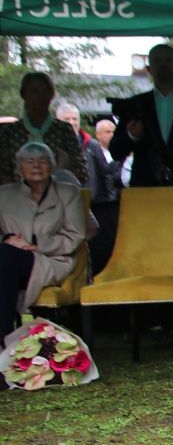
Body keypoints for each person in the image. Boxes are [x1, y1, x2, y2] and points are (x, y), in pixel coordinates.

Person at [0, 142, 85, 341]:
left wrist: (37, 243)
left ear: (53, 166)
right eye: (30, 161)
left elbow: (75, 235)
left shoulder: (68, 193)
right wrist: (7, 238)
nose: (36, 165)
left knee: (4, 258)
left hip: (50, 260)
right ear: (19, 167)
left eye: (43, 160)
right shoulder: (3, 194)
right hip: (8, 260)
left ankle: (3, 338)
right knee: (5, 258)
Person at [109, 44, 173, 188]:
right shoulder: (135, 104)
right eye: (157, 61)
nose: (163, 65)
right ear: (149, 69)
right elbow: (115, 152)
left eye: (168, 60)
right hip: (146, 188)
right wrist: (131, 136)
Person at [0, 72, 86, 185]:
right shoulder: (10, 132)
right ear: (23, 94)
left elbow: (82, 172)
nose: (40, 97)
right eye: (34, 91)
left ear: (52, 95)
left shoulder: (63, 130)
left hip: (59, 198)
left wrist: (61, 173)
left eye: (45, 91)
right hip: (17, 199)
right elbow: (2, 173)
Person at [86, 118, 121, 275]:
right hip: (99, 204)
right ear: (98, 134)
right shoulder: (91, 149)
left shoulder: (120, 152)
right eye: (107, 132)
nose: (112, 135)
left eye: (114, 131)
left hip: (115, 202)